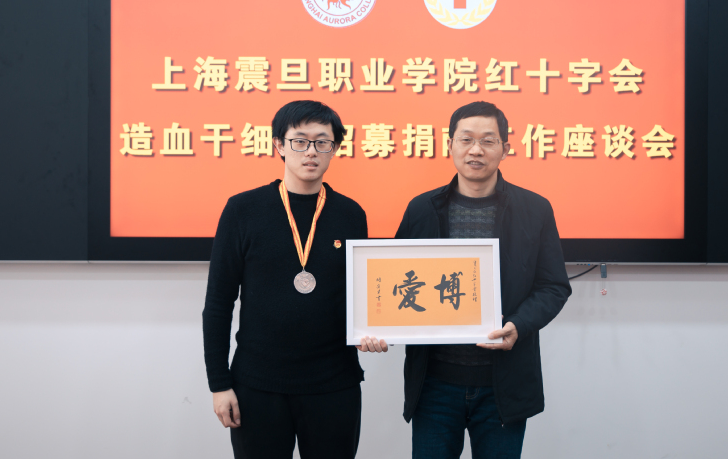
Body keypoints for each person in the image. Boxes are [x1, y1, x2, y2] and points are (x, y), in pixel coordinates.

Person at [202, 100, 387, 459]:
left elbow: (360, 295)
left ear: (335, 148)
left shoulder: (351, 214)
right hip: (257, 385)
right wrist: (219, 383)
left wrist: (373, 330)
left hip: (334, 384)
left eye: (322, 142)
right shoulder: (242, 210)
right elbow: (219, 303)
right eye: (300, 141)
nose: (311, 151)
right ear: (279, 145)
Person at [394, 101, 571, 459]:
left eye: (488, 141)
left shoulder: (535, 209)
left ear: (505, 148)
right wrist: (376, 326)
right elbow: (395, 277)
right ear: (450, 145)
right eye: (466, 140)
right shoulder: (421, 209)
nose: (476, 150)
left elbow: (554, 286)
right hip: (434, 385)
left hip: (502, 385)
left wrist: (518, 325)